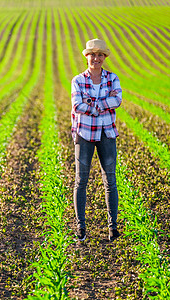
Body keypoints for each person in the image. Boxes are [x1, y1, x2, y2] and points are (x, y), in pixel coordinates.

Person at [70, 39, 122, 242]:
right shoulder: (78, 80)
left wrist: (91, 103)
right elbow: (77, 105)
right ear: (86, 57)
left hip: (107, 133)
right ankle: (81, 227)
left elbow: (117, 100)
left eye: (100, 55)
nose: (96, 58)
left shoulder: (113, 78)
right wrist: (101, 105)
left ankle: (113, 228)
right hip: (84, 134)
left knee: (110, 180)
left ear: (105, 58)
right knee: (81, 181)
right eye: (93, 54)